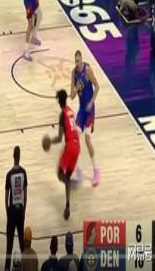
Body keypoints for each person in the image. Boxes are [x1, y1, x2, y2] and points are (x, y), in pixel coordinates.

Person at [70, 50, 100, 186]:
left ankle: (96, 170)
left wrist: (91, 102)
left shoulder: (87, 70)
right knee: (75, 138)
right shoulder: (73, 73)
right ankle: (77, 170)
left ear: (81, 59)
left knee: (87, 139)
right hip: (82, 110)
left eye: (79, 60)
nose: (77, 63)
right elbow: (72, 96)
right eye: (75, 61)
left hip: (90, 109)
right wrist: (76, 89)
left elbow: (97, 86)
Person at [50, 89, 81, 220]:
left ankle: (71, 183)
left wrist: (49, 141)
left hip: (70, 146)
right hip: (77, 146)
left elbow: (59, 138)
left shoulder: (62, 114)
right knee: (67, 175)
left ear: (58, 100)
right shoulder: (71, 111)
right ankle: (67, 204)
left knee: (60, 174)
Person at [4, 146, 27, 271]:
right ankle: (25, 268)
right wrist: (23, 210)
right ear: (20, 157)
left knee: (9, 244)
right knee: (22, 244)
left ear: (13, 156)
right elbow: (25, 195)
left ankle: (7, 268)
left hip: (12, 210)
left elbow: (6, 197)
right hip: (20, 210)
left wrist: (7, 213)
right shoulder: (23, 173)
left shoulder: (9, 174)